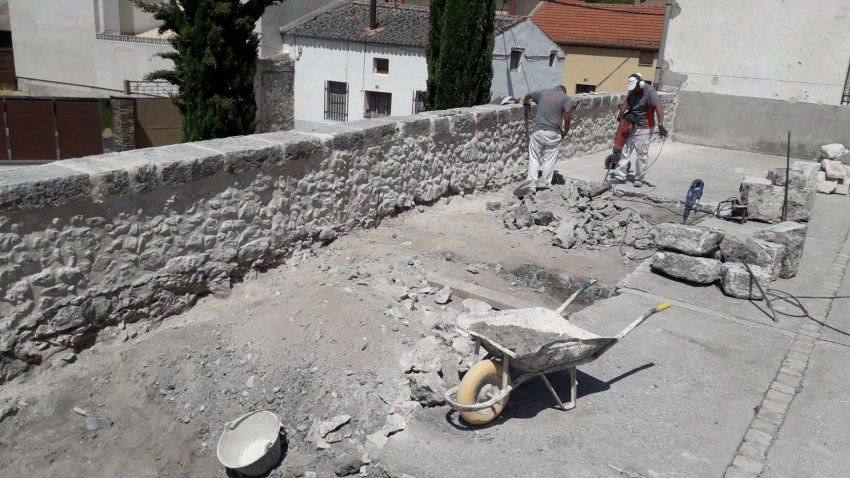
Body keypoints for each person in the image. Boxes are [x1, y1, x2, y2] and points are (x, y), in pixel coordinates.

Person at [609, 73, 668, 187]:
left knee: (641, 153)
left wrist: (660, 125)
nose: (633, 90)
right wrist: (621, 114)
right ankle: (620, 176)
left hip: (645, 126)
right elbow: (626, 103)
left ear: (640, 84)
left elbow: (659, 107)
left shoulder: (650, 92)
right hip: (632, 123)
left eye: (635, 88)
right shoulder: (632, 90)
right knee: (625, 149)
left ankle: (639, 178)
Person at [522, 85, 572, 191]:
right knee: (549, 159)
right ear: (564, 91)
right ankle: (544, 185)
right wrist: (566, 128)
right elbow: (567, 111)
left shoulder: (543, 92)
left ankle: (531, 184)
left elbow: (528, 95)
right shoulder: (564, 98)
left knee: (534, 157)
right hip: (553, 133)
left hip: (538, 131)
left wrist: (525, 103)